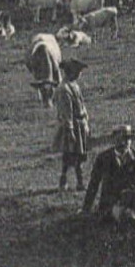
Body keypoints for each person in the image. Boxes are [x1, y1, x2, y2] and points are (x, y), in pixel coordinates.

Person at [83, 124, 135, 221]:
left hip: (134, 198)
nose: (124, 142)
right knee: (125, 216)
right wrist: (86, 208)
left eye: (128, 139)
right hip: (112, 202)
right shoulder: (103, 158)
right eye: (121, 139)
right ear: (113, 140)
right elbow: (94, 184)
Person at [51, 58, 90, 191]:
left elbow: (82, 105)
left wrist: (86, 122)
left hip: (80, 124)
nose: (80, 74)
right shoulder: (64, 89)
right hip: (71, 126)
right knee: (71, 154)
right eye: (78, 71)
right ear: (71, 72)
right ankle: (71, 182)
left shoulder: (74, 86)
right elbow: (66, 112)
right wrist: (71, 130)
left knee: (77, 154)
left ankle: (74, 181)